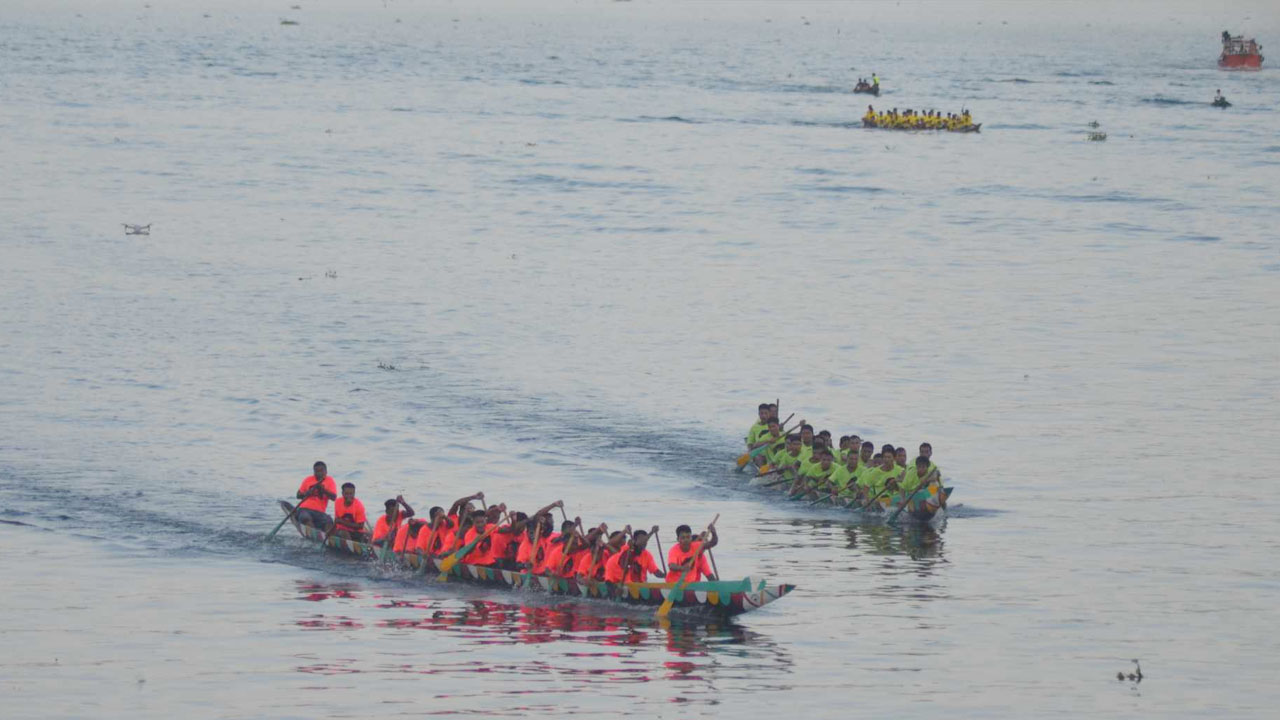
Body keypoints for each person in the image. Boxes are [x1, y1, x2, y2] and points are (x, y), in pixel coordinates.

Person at [295, 461, 337, 532]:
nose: (319, 473)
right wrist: (306, 493)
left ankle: (327, 537)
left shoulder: (329, 480)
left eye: (321, 471)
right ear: (314, 472)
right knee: (305, 518)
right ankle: (313, 533)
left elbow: (334, 497)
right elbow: (298, 495)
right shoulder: (308, 479)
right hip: (305, 509)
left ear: (326, 471)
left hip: (320, 512)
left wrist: (324, 490)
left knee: (329, 521)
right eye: (317, 471)